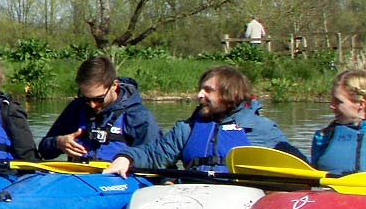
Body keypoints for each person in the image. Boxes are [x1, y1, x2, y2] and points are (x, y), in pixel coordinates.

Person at [105, 64, 303, 177]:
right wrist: (126, 157)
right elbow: (154, 154)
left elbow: (299, 166)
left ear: (231, 95)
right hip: (196, 200)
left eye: (208, 90)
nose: (199, 95)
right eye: (200, 89)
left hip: (241, 204)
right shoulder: (187, 128)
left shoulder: (262, 129)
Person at [37, 55, 160, 162]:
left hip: (119, 181)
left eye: (98, 99)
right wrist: (57, 142)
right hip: (79, 179)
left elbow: (157, 158)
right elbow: (44, 151)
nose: (92, 105)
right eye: (85, 98)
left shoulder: (138, 116)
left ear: (114, 86)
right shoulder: (76, 108)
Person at [310, 69, 366, 175]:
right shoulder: (322, 137)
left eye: (338, 101)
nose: (332, 106)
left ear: (360, 104)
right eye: (332, 100)